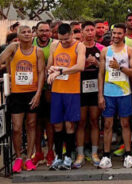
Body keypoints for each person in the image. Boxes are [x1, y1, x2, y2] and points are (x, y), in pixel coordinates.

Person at [0, 25, 45, 172]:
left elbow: (41, 73)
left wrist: (38, 93)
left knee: (32, 125)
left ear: (32, 35)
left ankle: (29, 157)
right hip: (16, 94)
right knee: (16, 128)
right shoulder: (13, 47)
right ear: (18, 35)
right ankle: (18, 157)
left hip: (32, 92)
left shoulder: (37, 51)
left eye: (29, 32)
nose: (27, 34)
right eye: (24, 32)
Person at [46, 23, 86, 170]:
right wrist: (51, 70)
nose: (64, 42)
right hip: (57, 90)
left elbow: (80, 66)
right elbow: (50, 64)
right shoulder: (55, 45)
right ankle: (58, 155)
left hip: (72, 91)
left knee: (70, 124)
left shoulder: (79, 46)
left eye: (66, 39)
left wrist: (61, 71)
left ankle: (69, 156)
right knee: (57, 124)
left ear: (71, 34)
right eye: (61, 39)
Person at [97, 24, 132, 169]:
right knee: (107, 125)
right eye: (114, 33)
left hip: (124, 93)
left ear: (124, 34)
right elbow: (101, 74)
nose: (116, 36)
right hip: (108, 93)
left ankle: (128, 154)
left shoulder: (129, 51)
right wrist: (100, 95)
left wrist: (119, 67)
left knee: (125, 124)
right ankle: (106, 155)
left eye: (119, 33)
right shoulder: (105, 51)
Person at [74, 21, 104, 168]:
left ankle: (94, 153)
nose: (90, 32)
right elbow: (73, 68)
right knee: (81, 122)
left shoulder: (101, 48)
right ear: (82, 32)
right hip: (79, 90)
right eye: (87, 30)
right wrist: (85, 63)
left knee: (94, 121)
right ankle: (80, 154)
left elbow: (105, 69)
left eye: (92, 30)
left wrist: (97, 63)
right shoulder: (77, 48)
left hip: (95, 89)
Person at [32, 21, 55, 167]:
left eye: (47, 31)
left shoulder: (55, 44)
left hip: (50, 88)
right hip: (32, 88)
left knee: (49, 122)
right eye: (41, 31)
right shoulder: (30, 43)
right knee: (35, 123)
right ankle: (38, 152)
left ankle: (50, 152)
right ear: (36, 32)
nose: (44, 33)